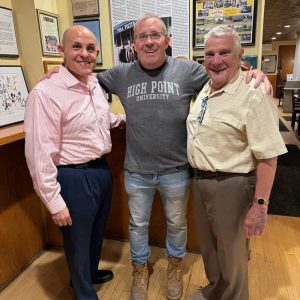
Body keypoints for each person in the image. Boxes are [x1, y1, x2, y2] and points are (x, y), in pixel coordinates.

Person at [43, 14, 271, 300]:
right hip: (137, 171)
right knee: (137, 225)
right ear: (134, 44)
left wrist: (255, 71)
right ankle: (140, 269)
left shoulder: (189, 71)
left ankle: (174, 267)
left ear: (167, 40)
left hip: (177, 170)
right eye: (142, 37)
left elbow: (224, 69)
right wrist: (58, 71)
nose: (149, 42)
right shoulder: (120, 74)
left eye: (155, 35)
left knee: (177, 225)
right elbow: (86, 78)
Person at [186, 25, 287, 300]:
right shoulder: (206, 86)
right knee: (210, 249)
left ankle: (234, 296)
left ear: (241, 54)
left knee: (232, 255)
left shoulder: (253, 93)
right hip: (201, 181)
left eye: (224, 52)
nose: (216, 59)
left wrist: (260, 206)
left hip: (231, 184)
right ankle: (216, 290)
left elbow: (268, 156)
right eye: (209, 53)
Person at [24, 25, 125, 300]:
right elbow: (38, 153)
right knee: (78, 241)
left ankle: (88, 273)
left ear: (97, 53)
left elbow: (100, 120)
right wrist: (54, 202)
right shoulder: (45, 93)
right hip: (73, 177)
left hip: (101, 171)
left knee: (94, 233)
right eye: (77, 47)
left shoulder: (93, 83)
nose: (84, 54)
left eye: (90, 49)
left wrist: (126, 119)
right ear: (62, 51)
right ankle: (83, 293)